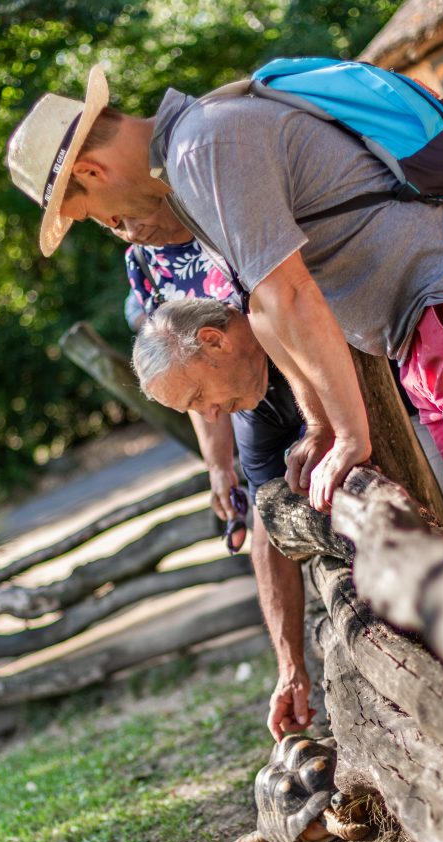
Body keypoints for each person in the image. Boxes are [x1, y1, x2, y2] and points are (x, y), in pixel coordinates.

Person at [7, 62, 443, 736]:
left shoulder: (205, 148)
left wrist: (350, 433)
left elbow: (289, 291)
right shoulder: (189, 165)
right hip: (432, 329)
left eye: (87, 214)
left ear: (89, 173)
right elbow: (262, 308)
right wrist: (318, 422)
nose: (109, 225)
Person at [117, 222, 317, 742]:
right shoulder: (245, 400)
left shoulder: (290, 321)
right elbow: (266, 525)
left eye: (200, 396)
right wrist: (290, 668)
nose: (211, 414)